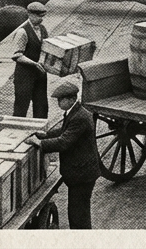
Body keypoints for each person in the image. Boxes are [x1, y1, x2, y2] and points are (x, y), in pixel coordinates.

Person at [28, 82, 99, 229]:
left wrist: (40, 143)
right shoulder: (75, 112)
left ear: (72, 99)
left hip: (82, 175)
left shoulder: (80, 117)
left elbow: (63, 142)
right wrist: (45, 135)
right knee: (77, 213)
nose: (59, 102)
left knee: (79, 216)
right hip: (80, 173)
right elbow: (64, 131)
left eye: (61, 99)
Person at [11, 1, 50, 118]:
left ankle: (40, 127)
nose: (41, 19)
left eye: (42, 16)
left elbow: (47, 47)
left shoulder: (43, 29)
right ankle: (17, 126)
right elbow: (17, 55)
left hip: (40, 74)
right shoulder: (22, 32)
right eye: (38, 16)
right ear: (30, 14)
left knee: (41, 105)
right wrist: (34, 64)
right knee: (21, 105)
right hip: (24, 75)